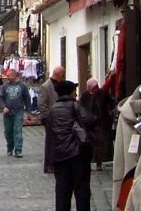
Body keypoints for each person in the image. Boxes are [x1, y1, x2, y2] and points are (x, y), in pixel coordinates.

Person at [49, 80, 96, 211]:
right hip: (77, 155)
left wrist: (50, 160)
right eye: (74, 91)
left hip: (59, 157)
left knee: (62, 193)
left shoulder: (52, 110)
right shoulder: (75, 106)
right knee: (81, 191)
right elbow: (91, 119)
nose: (76, 94)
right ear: (69, 93)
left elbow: (50, 135)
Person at [78, 77, 116, 170]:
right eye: (94, 87)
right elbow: (81, 108)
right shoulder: (85, 96)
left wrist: (111, 112)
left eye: (97, 86)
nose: (96, 89)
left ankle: (100, 162)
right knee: (91, 144)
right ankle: (92, 161)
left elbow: (111, 103)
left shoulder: (103, 93)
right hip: (89, 124)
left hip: (102, 122)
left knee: (101, 143)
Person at [0, 68, 31, 157]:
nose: (7, 77)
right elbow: (1, 98)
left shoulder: (22, 86)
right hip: (7, 113)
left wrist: (28, 112)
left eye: (8, 75)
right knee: (8, 132)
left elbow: (27, 98)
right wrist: (3, 107)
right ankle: (10, 148)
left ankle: (18, 150)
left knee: (17, 131)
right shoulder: (4, 86)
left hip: (18, 111)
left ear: (14, 75)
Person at [40, 65, 65, 172]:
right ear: (58, 75)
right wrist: (49, 117)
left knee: (57, 142)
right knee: (50, 143)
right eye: (62, 75)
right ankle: (49, 165)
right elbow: (42, 104)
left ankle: (56, 163)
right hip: (50, 119)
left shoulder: (60, 84)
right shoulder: (46, 86)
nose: (63, 77)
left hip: (59, 119)